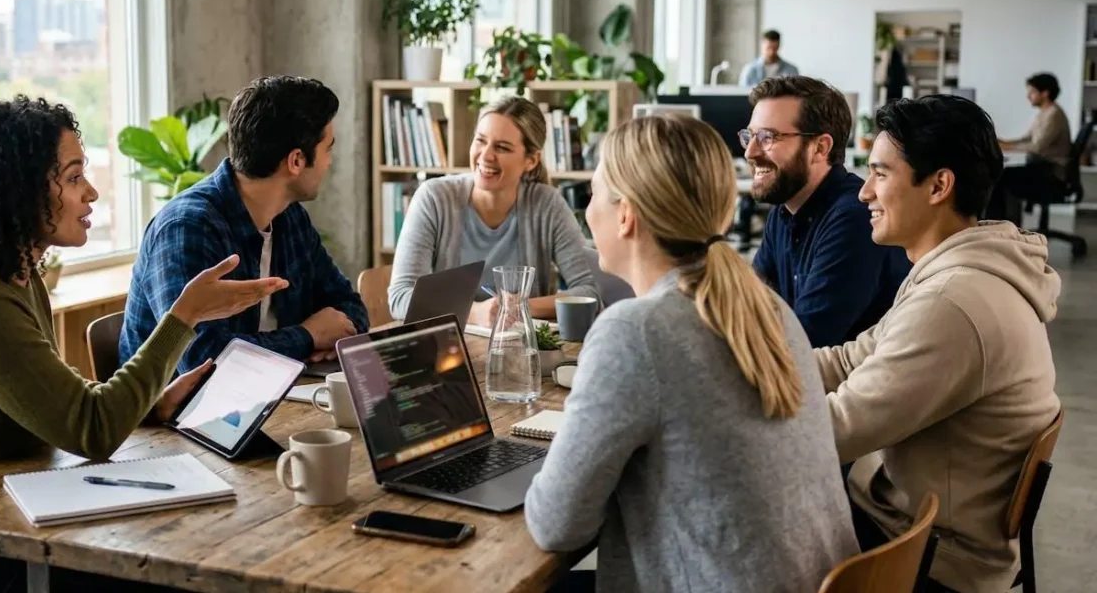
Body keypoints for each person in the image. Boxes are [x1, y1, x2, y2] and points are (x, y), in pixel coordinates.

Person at [0, 97, 287, 592]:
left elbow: (60, 401)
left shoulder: (15, 277)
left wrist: (150, 405)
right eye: (74, 177)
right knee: (167, 570)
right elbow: (92, 430)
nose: (92, 193)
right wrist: (184, 315)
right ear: (19, 189)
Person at [524, 115, 857, 593]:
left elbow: (556, 524)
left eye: (593, 195)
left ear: (626, 215)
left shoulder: (636, 330)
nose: (587, 212)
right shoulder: (768, 308)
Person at [819, 95, 1062, 593]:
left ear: (938, 185)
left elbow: (836, 429)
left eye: (880, 174)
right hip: (916, 525)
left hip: (930, 557)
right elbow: (850, 360)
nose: (864, 192)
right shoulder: (955, 272)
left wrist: (720, 411)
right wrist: (751, 366)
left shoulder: (952, 302)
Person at [121, 76, 369, 371]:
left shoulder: (290, 217)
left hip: (280, 389)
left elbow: (350, 306)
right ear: (296, 161)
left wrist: (330, 334)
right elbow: (203, 362)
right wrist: (308, 337)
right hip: (190, 401)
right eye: (328, 148)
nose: (330, 162)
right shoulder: (187, 228)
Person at [387, 96, 598, 326]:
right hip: (450, 343)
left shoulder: (547, 205)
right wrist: (473, 313)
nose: (486, 155)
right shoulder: (434, 198)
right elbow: (401, 297)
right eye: (480, 141)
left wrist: (518, 307)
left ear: (531, 160)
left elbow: (591, 291)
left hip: (520, 341)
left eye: (502, 147)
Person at [747, 76, 910, 347]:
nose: (751, 152)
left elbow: (805, 341)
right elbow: (750, 307)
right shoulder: (783, 211)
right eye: (750, 136)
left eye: (768, 137)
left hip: (846, 374)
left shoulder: (854, 218)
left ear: (820, 148)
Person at [988, 72, 1073, 223]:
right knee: (1002, 174)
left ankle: (998, 226)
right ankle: (1001, 225)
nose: (1028, 96)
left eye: (1032, 92)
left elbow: (1037, 147)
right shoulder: (1045, 112)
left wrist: (1008, 147)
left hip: (1052, 174)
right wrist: (1005, 143)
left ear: (1045, 93)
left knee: (1000, 177)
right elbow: (1027, 138)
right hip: (1043, 167)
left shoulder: (1053, 115)